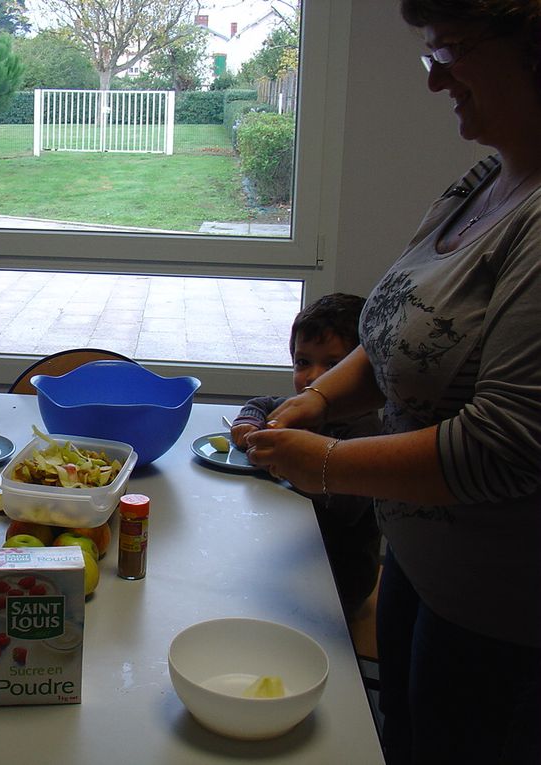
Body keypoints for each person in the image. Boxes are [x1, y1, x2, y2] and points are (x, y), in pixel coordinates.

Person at [244, 2, 541, 762]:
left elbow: (504, 446)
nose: (435, 77)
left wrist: (324, 462)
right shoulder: (483, 180)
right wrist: (313, 401)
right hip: (419, 568)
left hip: (503, 619)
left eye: (452, 49)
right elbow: (391, 338)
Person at [230, 293, 381, 619]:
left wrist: (288, 468)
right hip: (294, 549)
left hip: (339, 576)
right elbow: (262, 402)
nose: (313, 377)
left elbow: (348, 506)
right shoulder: (300, 409)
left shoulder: (365, 428)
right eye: (303, 362)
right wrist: (249, 420)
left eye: (332, 365)